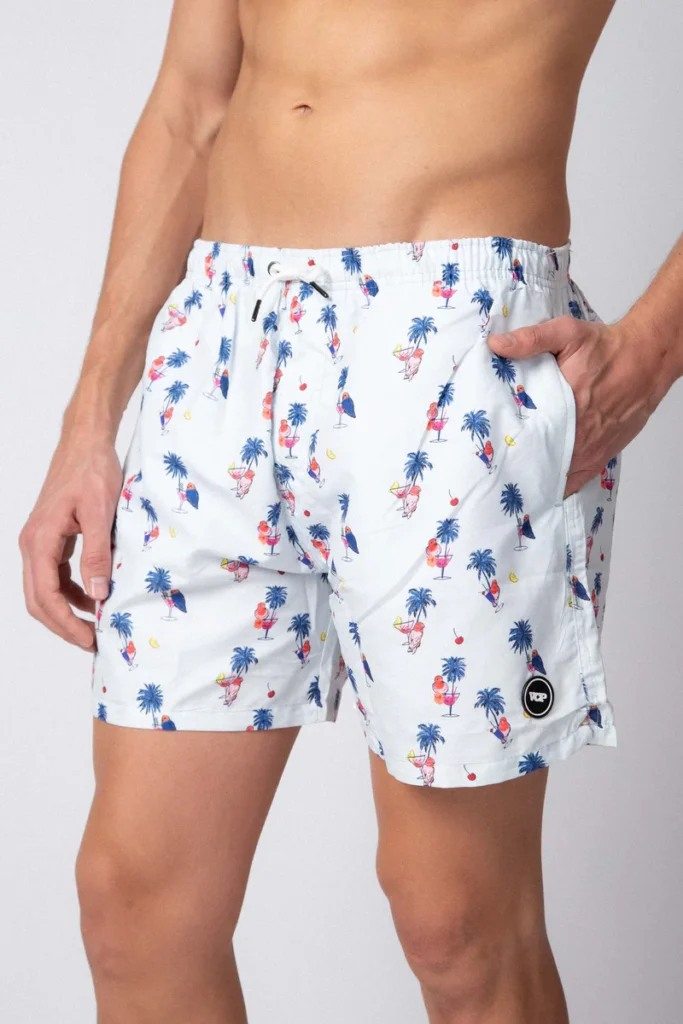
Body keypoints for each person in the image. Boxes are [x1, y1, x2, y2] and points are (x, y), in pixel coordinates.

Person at [18, 1, 682, 1020]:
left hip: (453, 345)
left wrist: (651, 350)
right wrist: (89, 417)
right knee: (135, 904)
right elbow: (191, 105)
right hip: (221, 348)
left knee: (455, 921)